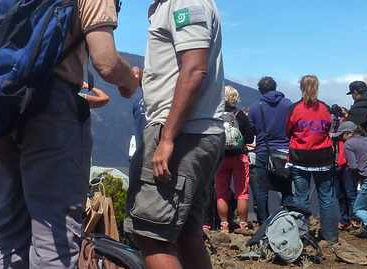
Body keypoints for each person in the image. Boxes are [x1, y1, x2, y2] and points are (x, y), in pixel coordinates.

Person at [0, 0, 142, 268]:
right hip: (51, 111)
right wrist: (131, 81)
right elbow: (106, 62)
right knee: (53, 234)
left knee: (6, 232)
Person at [125, 0, 224, 268]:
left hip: (181, 132)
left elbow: (194, 70)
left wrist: (167, 138)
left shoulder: (184, 2)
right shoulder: (168, 6)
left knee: (152, 237)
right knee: (186, 235)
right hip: (193, 131)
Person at [285, 75, 339, 244]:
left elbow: (288, 130)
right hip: (323, 158)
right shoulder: (324, 108)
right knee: (327, 197)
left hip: (299, 158)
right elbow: (328, 127)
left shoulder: (295, 108)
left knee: (301, 198)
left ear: (301, 87)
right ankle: (330, 236)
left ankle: (301, 235)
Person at [247, 76, 294, 225]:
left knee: (262, 189)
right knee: (286, 187)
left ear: (260, 90)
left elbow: (252, 129)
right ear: (275, 87)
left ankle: (264, 222)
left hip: (263, 151)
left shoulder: (255, 107)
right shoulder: (288, 105)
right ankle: (287, 220)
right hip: (284, 151)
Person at [214, 86, 255, 234]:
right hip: (239, 157)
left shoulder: (216, 115)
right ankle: (243, 225)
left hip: (220, 159)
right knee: (242, 192)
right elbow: (250, 138)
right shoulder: (241, 116)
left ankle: (224, 224)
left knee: (221, 192)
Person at [338, 121, 367, 238]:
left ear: (349, 133)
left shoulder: (349, 144)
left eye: (341, 135)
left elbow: (353, 166)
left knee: (357, 209)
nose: (340, 139)